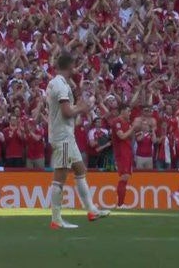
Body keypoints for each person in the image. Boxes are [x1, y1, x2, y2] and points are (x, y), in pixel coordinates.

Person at [46, 53, 109, 229]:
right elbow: (66, 112)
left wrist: (80, 107)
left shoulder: (57, 83)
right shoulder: (61, 85)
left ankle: (91, 210)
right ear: (70, 66)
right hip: (63, 137)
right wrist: (82, 108)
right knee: (61, 174)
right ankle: (56, 219)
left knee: (80, 169)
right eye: (75, 66)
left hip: (66, 135)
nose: (76, 69)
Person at [112, 105, 139, 209]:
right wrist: (132, 128)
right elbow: (122, 136)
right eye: (128, 111)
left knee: (126, 177)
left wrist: (134, 128)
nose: (130, 113)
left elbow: (130, 136)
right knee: (124, 176)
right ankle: (120, 204)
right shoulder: (116, 122)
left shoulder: (127, 123)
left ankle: (121, 203)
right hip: (121, 152)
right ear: (122, 111)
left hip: (127, 151)